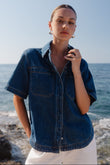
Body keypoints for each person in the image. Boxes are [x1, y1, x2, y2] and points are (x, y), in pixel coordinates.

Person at [5, 4, 97, 164]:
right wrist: (29, 132)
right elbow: (18, 98)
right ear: (50, 25)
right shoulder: (31, 57)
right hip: (43, 146)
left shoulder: (81, 64)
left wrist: (76, 71)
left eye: (70, 22)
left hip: (81, 143)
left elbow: (84, 108)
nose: (65, 26)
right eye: (60, 20)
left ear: (75, 29)